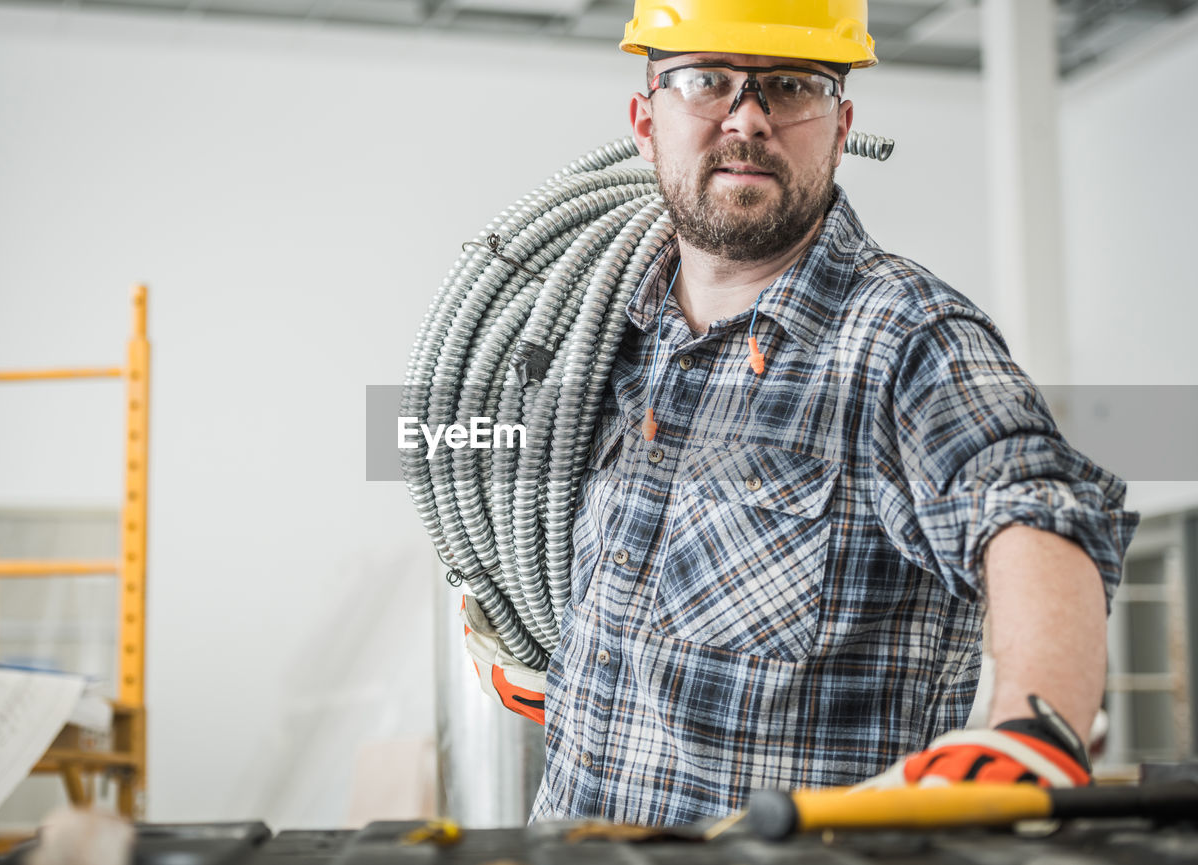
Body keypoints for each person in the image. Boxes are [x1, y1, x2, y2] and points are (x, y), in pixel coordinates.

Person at [464, 0, 1137, 825]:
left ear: (841, 124)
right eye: (706, 80)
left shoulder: (905, 338)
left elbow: (1034, 507)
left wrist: (1037, 724)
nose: (748, 118)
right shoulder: (603, 334)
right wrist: (555, 657)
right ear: (646, 119)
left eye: (791, 85)